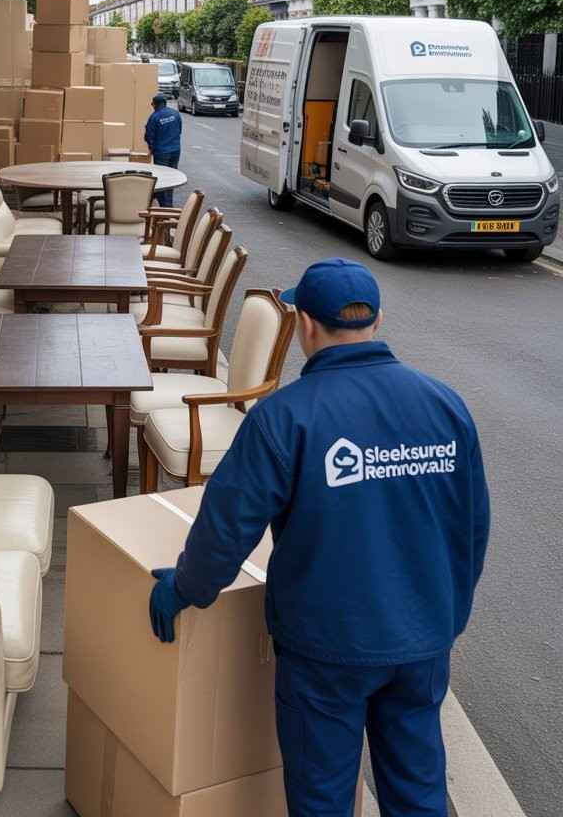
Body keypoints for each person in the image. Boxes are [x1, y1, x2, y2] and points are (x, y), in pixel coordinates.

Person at [148, 258, 490, 817]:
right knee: (418, 790)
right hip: (421, 640)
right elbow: (472, 528)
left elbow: (227, 527)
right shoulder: (445, 406)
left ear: (305, 324)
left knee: (322, 797)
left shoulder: (285, 418)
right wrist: (445, 616)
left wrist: (185, 587)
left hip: (326, 647)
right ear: (376, 321)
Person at [144, 93, 183, 207]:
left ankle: (165, 206)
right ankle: (168, 204)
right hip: (176, 150)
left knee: (162, 179)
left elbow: (149, 136)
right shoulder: (175, 114)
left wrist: (152, 149)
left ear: (155, 104)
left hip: (162, 152)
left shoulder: (154, 117)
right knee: (171, 177)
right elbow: (179, 130)